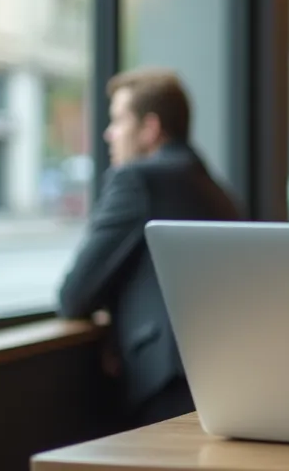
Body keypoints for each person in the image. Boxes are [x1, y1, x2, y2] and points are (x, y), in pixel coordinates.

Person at [58, 68, 241, 427]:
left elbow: (74, 296)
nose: (108, 134)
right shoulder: (217, 190)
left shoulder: (136, 180)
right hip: (224, 377)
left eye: (118, 121)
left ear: (150, 128)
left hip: (163, 384)